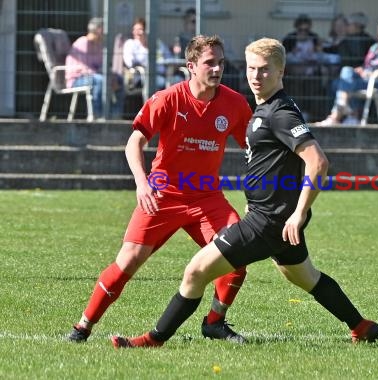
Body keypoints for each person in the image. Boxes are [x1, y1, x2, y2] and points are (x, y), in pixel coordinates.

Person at [110, 37, 378, 348]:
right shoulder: (265, 108)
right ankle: (360, 325)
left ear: (281, 72)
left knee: (195, 271)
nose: (256, 76)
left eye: (265, 70)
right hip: (276, 219)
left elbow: (317, 162)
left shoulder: (279, 113)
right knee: (304, 276)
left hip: (268, 221)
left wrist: (299, 212)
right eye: (251, 68)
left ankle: (153, 339)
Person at [68, 35, 253, 344]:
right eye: (210, 63)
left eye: (221, 62)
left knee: (237, 253)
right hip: (162, 195)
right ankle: (82, 327)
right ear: (191, 66)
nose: (217, 68)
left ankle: (215, 321)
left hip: (207, 196)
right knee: (128, 261)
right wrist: (142, 184)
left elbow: (254, 149)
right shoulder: (167, 99)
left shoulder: (234, 103)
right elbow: (135, 142)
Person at [317, 18, 378, 126]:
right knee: (345, 72)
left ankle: (338, 115)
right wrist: (362, 70)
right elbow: (367, 65)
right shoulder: (375, 48)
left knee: (347, 84)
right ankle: (346, 109)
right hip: (367, 78)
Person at [65, 17, 124, 119]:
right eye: (103, 29)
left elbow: (102, 66)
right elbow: (85, 68)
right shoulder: (82, 42)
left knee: (119, 79)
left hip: (94, 76)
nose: (105, 32)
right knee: (100, 80)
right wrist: (105, 77)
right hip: (77, 79)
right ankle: (98, 115)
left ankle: (115, 114)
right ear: (98, 30)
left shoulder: (99, 45)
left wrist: (111, 76)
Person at [122, 17, 174, 91]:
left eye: (140, 29)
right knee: (162, 83)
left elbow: (170, 59)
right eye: (134, 29)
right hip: (143, 76)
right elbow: (129, 62)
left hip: (164, 75)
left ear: (146, 31)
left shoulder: (157, 44)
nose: (136, 32)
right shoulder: (130, 44)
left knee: (178, 81)